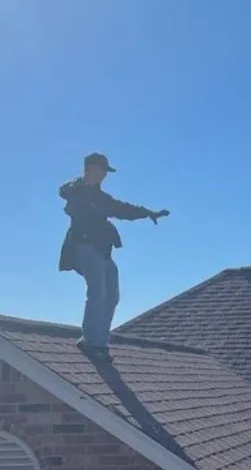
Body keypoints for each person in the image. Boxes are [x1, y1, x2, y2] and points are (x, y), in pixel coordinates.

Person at [58, 152, 169, 360]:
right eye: (102, 171)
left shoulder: (101, 198)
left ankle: (99, 342)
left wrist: (148, 213)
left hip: (103, 251)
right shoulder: (76, 190)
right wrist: (81, 183)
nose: (104, 176)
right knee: (98, 291)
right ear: (92, 168)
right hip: (84, 246)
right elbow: (64, 192)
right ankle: (91, 341)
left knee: (112, 295)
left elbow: (122, 209)